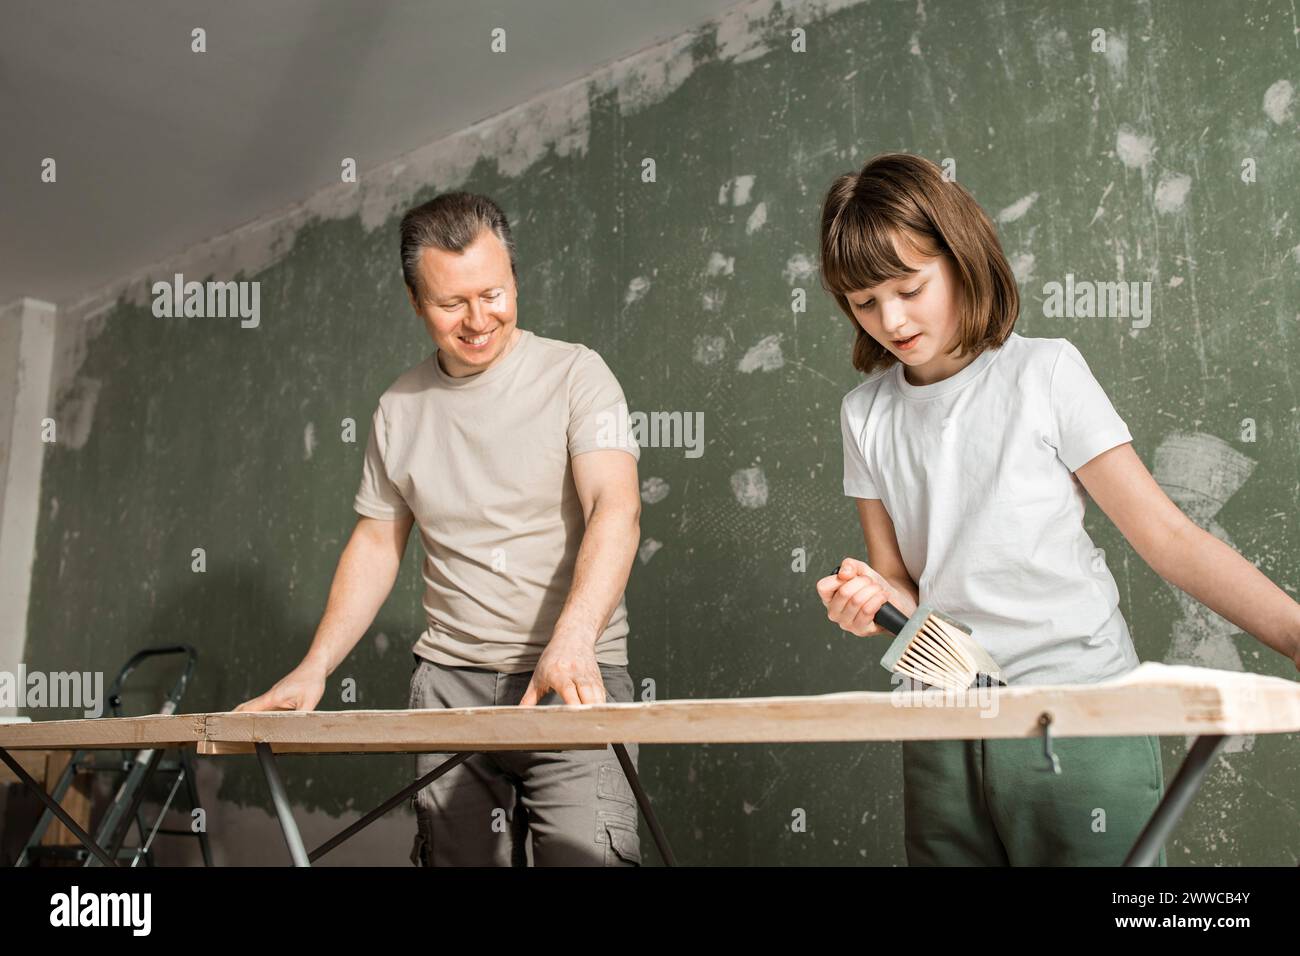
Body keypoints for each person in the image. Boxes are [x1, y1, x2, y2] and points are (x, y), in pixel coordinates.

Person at [814, 152, 1300, 866]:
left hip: (1080, 711)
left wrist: (1293, 631)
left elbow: (1167, 537)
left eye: (909, 288)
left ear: (961, 259)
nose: (891, 318)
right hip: (945, 719)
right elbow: (898, 581)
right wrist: (865, 597)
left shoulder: (1045, 373)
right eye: (863, 303)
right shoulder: (865, 414)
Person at [236, 191, 644, 867]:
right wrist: (315, 669)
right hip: (450, 683)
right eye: (452, 303)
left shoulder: (577, 374)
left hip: (575, 674)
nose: (479, 319)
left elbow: (616, 507)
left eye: (493, 293)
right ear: (415, 302)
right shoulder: (398, 408)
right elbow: (375, 542)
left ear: (513, 278)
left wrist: (572, 641)